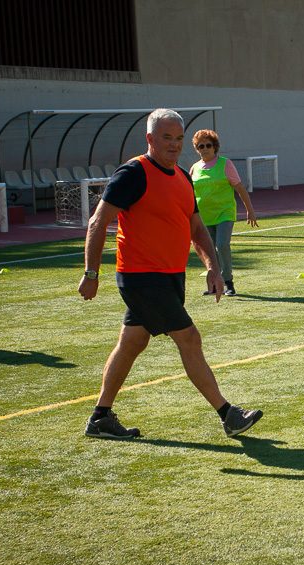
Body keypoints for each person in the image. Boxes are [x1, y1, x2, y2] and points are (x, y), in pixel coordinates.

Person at [78, 109, 263, 440]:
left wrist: (213, 267)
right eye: (167, 137)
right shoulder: (133, 173)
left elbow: (196, 227)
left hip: (171, 277)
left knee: (131, 343)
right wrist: (91, 272)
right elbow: (98, 221)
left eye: (179, 138)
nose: (175, 144)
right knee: (189, 338)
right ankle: (228, 414)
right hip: (141, 277)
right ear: (150, 139)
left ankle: (100, 417)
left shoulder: (182, 176)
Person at [189, 129, 258, 297]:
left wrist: (250, 210)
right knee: (209, 250)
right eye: (200, 146)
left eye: (208, 145)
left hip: (224, 213)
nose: (204, 149)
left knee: (222, 244)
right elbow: (188, 193)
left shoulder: (225, 164)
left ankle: (229, 282)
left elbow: (240, 188)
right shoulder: (194, 168)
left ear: (215, 147)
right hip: (204, 216)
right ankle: (214, 284)